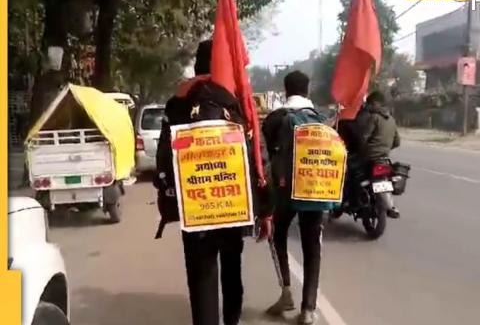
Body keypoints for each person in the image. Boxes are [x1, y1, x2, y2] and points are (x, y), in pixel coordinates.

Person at [154, 40, 270, 325]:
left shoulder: (178, 103)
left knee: (201, 275)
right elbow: (259, 159)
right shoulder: (239, 102)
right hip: (233, 205)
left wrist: (169, 194)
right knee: (232, 268)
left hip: (194, 208)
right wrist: (264, 208)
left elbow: (164, 157)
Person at [262, 71, 326, 325]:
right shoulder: (320, 119)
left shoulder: (276, 118)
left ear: (286, 90)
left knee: (277, 234)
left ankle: (286, 291)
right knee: (312, 246)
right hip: (314, 187)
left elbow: (265, 154)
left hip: (284, 188)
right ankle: (308, 308)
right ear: (308, 91)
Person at [340, 91, 400, 218]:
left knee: (347, 170)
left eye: (369, 103)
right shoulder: (392, 120)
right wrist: (385, 149)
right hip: (384, 157)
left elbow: (364, 137)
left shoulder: (374, 117)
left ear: (375, 103)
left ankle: (347, 201)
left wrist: (361, 150)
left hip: (369, 156)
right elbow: (397, 142)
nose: (367, 105)